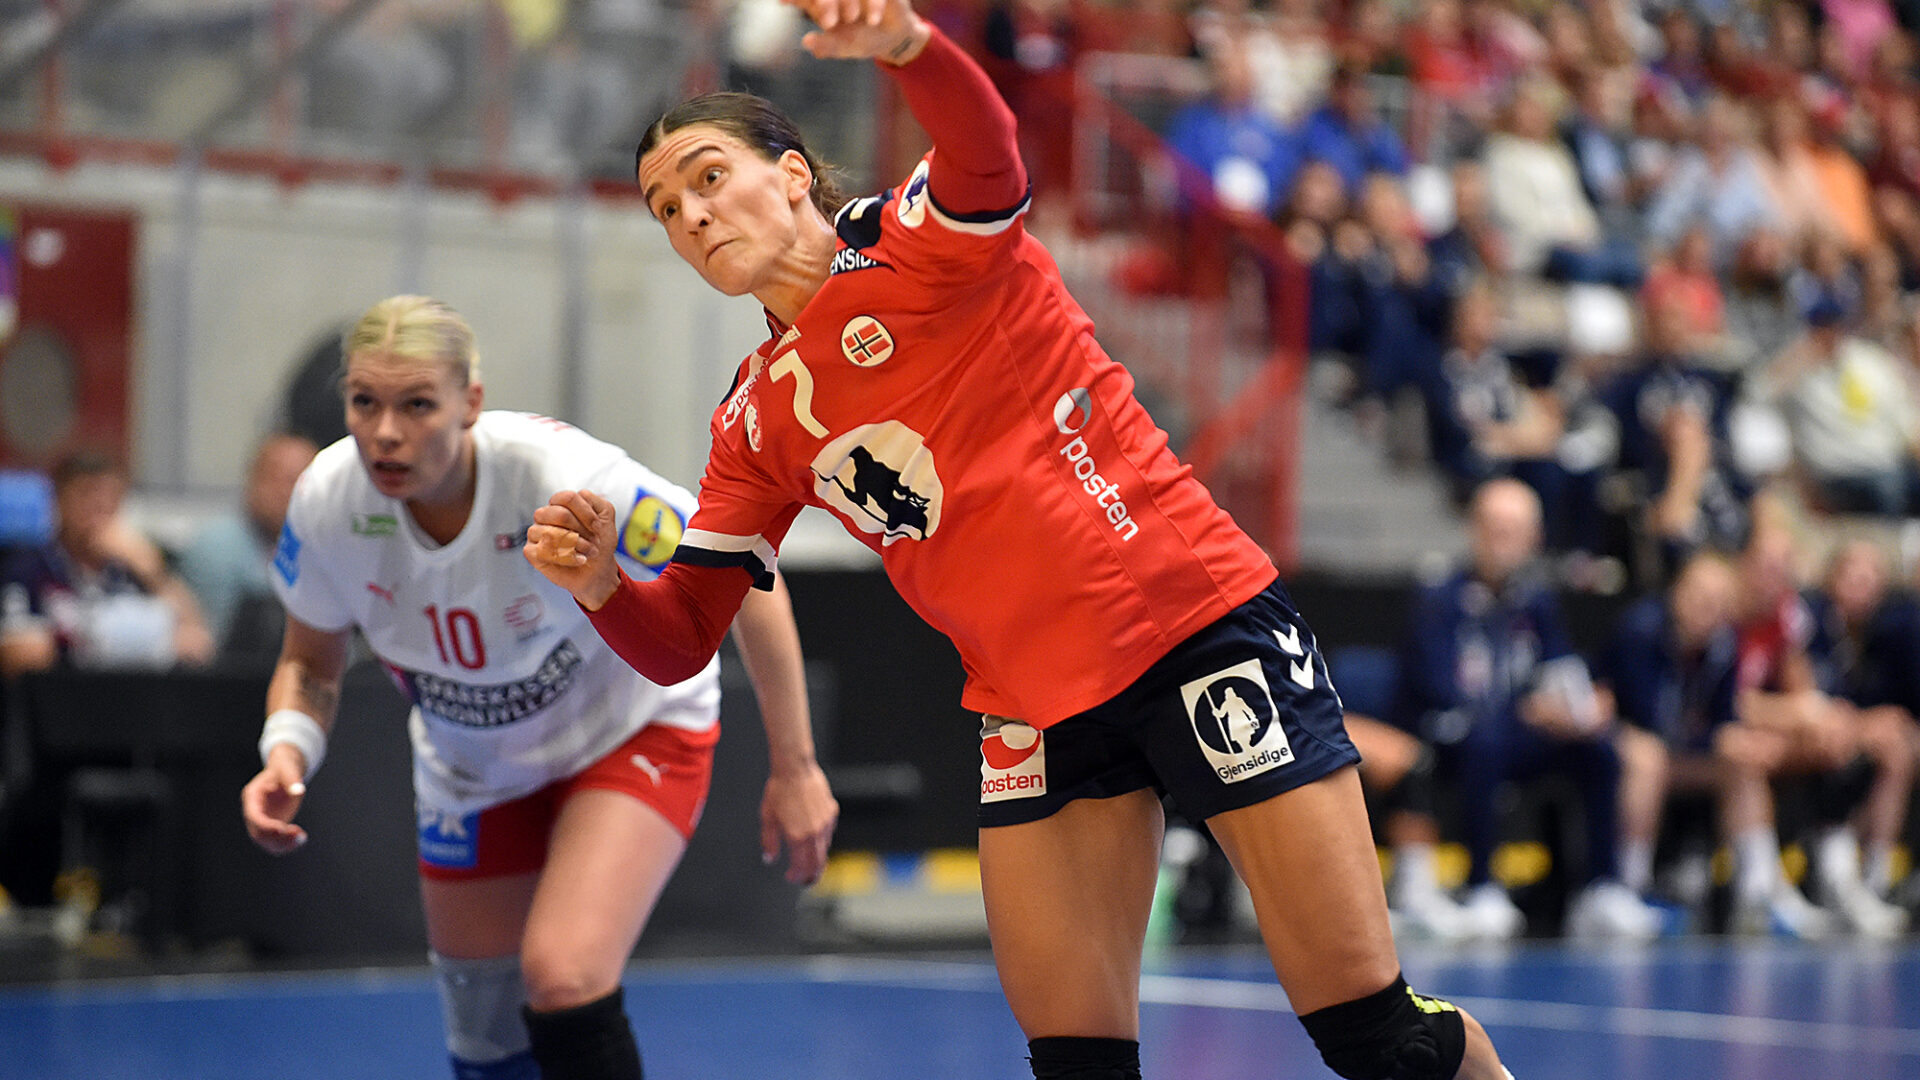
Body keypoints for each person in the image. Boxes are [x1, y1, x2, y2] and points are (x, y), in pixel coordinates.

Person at [529, 4, 1513, 1078]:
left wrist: (908, 46)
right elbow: (681, 637)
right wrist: (601, 584)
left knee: (1382, 1043)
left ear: (795, 173)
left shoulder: (914, 240)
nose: (693, 217)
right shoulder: (753, 420)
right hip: (1032, 710)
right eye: (668, 209)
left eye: (710, 178)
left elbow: (988, 151)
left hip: (1193, 630)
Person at [239, 295, 838, 1080]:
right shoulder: (327, 503)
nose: (385, 432)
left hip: (627, 728)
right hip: (473, 769)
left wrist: (795, 766)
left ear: (470, 402)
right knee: (484, 1041)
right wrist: (287, 752)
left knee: (563, 977)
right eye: (365, 402)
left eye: (417, 405)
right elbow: (309, 661)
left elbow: (748, 574)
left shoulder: (560, 478)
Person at [1393, 478, 1661, 941]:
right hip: (1453, 736)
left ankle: (1602, 888)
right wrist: (1523, 709)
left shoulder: (1536, 600)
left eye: (1515, 531)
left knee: (1600, 750)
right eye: (1495, 527)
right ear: (1474, 530)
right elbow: (1437, 688)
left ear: (1534, 538)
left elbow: (1558, 665)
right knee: (1484, 741)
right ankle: (1482, 886)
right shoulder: (1439, 598)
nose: (1504, 541)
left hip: (1521, 732)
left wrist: (1578, 707)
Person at [0, 449, 215, 677]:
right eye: (86, 494)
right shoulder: (26, 566)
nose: (98, 507)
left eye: (110, 496)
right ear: (58, 500)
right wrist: (152, 644)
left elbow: (199, 643)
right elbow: (25, 655)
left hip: (130, 693)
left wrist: (153, 571)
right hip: (62, 693)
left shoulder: (132, 567)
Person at [176, 431, 318, 659]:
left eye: (301, 481)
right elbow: (213, 646)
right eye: (278, 479)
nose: (286, 492)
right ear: (252, 479)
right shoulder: (217, 543)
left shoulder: (321, 545)